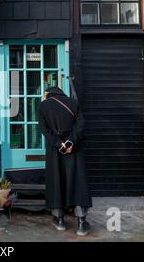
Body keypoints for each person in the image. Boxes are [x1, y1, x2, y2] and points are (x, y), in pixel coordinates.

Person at [38, 86, 92, 236]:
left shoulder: (43, 105)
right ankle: (81, 222)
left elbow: (44, 129)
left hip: (55, 150)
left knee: (57, 181)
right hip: (75, 149)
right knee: (78, 182)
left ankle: (59, 219)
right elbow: (81, 125)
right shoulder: (74, 103)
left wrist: (59, 144)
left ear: (47, 94)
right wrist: (71, 142)